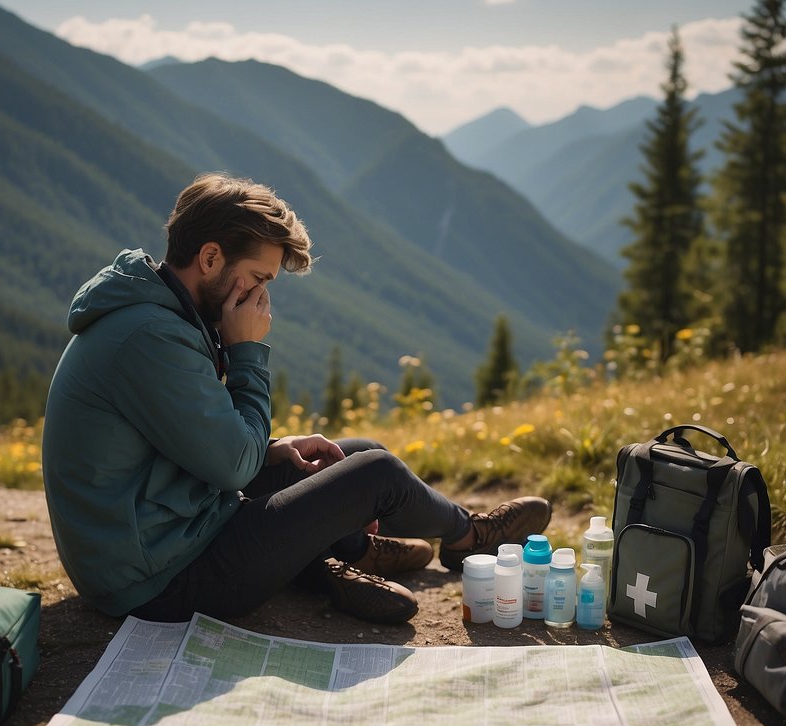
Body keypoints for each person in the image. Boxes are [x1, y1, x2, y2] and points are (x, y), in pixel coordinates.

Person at [42, 172, 552, 626]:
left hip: (170, 528)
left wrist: (272, 449)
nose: (264, 297)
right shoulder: (151, 338)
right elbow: (235, 469)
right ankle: (467, 539)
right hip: (159, 579)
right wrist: (245, 353)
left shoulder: (159, 315)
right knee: (375, 472)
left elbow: (192, 443)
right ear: (211, 257)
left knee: (346, 453)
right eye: (260, 277)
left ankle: (341, 553)